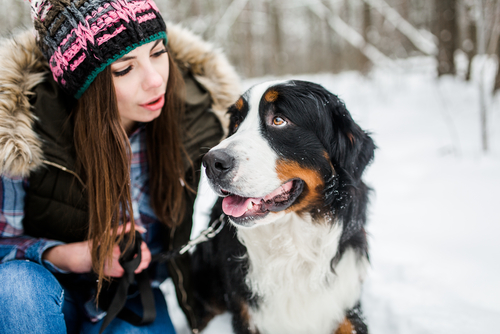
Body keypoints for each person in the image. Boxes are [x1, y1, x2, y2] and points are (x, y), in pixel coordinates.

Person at [0, 0, 240, 333]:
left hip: (133, 298)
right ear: (82, 85)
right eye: (124, 69)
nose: (156, 80)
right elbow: (3, 242)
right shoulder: (23, 132)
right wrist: (69, 255)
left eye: (158, 53)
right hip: (47, 295)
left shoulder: (197, 116)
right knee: (15, 288)